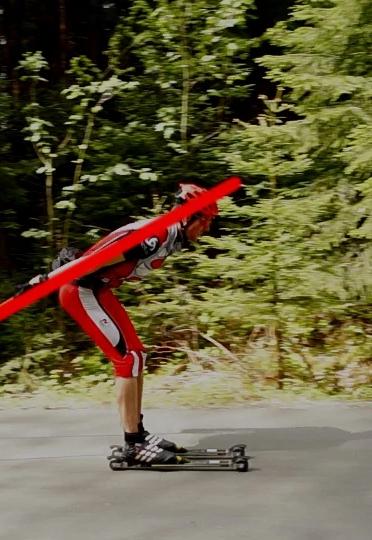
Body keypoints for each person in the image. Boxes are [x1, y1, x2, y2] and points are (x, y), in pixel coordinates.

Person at [15, 183, 219, 465]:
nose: (206, 228)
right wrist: (41, 281)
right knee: (127, 359)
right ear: (187, 216)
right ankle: (133, 445)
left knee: (137, 355)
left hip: (99, 290)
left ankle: (139, 433)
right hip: (81, 291)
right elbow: (94, 261)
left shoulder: (170, 234)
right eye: (204, 221)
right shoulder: (155, 236)